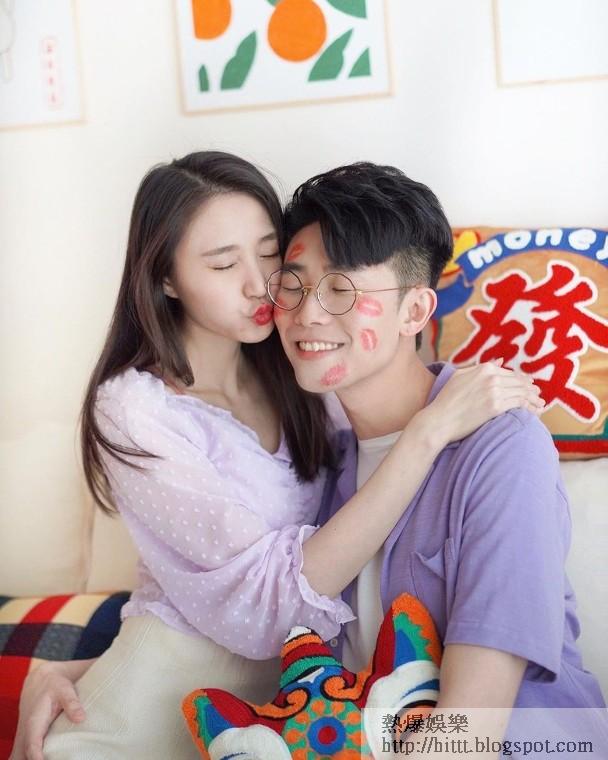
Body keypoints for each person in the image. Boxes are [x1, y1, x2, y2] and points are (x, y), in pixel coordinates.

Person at [10, 152, 541, 760]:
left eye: (270, 257)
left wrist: (450, 412)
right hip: (152, 720)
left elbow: (468, 728)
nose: (261, 285)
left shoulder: (315, 393)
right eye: (222, 263)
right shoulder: (139, 408)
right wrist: (430, 430)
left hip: (275, 720)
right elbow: (257, 608)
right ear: (165, 278)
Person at [268, 162, 608, 718]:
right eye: (293, 284)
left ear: (416, 311)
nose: (307, 313)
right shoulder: (321, 463)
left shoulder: (504, 446)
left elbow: (472, 727)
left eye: (341, 288)